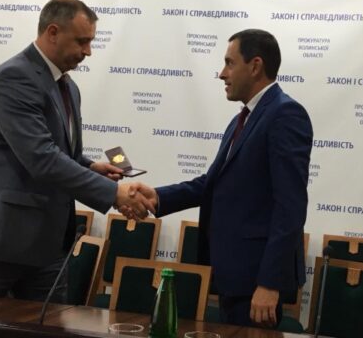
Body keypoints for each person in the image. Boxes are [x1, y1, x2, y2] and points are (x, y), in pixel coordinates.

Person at [0, 0, 153, 302]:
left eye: (91, 42)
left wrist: (89, 166)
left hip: (47, 246)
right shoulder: (13, 77)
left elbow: (58, 152)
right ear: (53, 32)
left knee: (49, 325)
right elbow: (41, 158)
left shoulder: (68, 87)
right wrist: (115, 194)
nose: (88, 51)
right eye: (82, 41)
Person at [130, 29, 313, 328]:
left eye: (229, 63)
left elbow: (290, 207)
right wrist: (158, 196)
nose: (222, 73)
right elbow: (213, 183)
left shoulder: (285, 114)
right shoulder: (243, 119)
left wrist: (269, 283)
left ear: (255, 66)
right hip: (232, 275)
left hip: (256, 282)